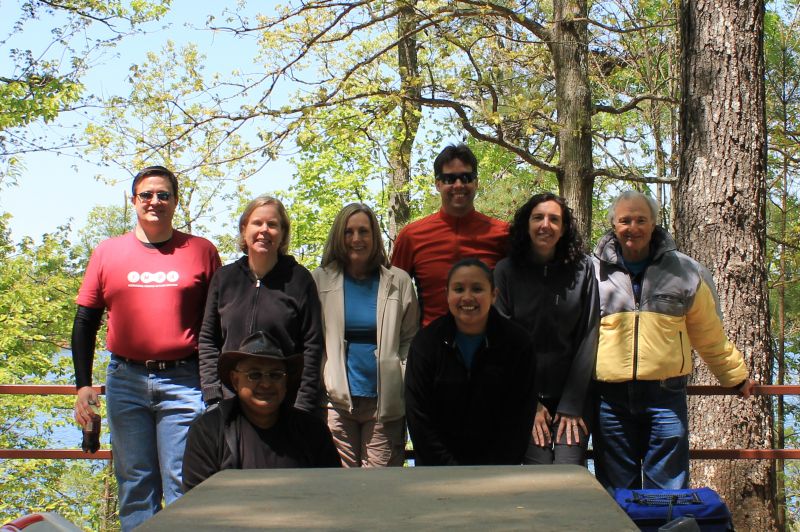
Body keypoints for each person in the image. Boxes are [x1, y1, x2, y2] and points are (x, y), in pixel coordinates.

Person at [71, 165, 221, 531]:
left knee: (184, 481)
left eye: (163, 195)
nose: (155, 201)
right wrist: (83, 385)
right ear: (134, 200)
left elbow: (219, 324)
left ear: (175, 201)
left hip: (184, 381)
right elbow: (85, 321)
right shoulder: (108, 252)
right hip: (126, 381)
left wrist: (216, 386)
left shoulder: (201, 251)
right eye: (146, 195)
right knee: (135, 482)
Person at [592, 190, 755, 490]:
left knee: (667, 494)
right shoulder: (592, 270)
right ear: (613, 224)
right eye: (625, 220)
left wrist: (734, 375)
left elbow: (708, 332)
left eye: (641, 220)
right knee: (616, 495)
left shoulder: (685, 271)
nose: (633, 227)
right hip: (609, 400)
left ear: (654, 223)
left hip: (665, 397)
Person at [311, 203, 419, 467]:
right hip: (336, 402)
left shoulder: (398, 281)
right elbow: (312, 339)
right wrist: (324, 376)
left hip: (385, 403)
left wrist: (400, 373)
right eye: (349, 232)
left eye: (363, 231)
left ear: (374, 236)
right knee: (339, 482)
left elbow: (409, 338)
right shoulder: (320, 280)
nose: (356, 239)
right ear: (339, 236)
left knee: (380, 484)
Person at [494, 193, 599, 465]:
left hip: (572, 399)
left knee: (568, 471)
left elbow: (589, 335)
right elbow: (502, 344)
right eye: (538, 218)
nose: (545, 225)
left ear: (563, 229)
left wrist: (572, 404)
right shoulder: (506, 271)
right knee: (538, 473)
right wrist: (530, 404)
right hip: (523, 398)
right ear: (526, 225)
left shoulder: (583, 270)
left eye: (554, 219)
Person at [405, 258, 537, 465]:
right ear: (447, 294)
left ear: (494, 295)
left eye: (477, 289)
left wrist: (490, 471)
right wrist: (451, 469)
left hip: (497, 471)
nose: (467, 297)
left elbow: (520, 418)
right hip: (437, 471)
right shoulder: (426, 344)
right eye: (458, 289)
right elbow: (418, 417)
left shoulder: (518, 344)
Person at [199, 195, 323, 414]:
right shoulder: (224, 278)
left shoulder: (299, 280)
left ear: (282, 234)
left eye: (272, 225)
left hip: (284, 403)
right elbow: (209, 339)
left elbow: (312, 346)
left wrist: (303, 404)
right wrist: (213, 394)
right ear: (244, 229)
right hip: (230, 401)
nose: (264, 230)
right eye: (257, 223)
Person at [183, 328, 341, 491]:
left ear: (286, 381)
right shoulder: (208, 431)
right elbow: (198, 497)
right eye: (254, 375)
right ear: (235, 380)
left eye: (275, 375)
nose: (266, 384)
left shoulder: (312, 431)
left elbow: (332, 491)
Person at [391, 144, 509, 326]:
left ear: (476, 183)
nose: (459, 185)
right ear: (438, 184)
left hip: (490, 340)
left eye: (466, 178)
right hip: (431, 340)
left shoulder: (503, 233)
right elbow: (393, 297)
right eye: (449, 179)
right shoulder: (411, 236)